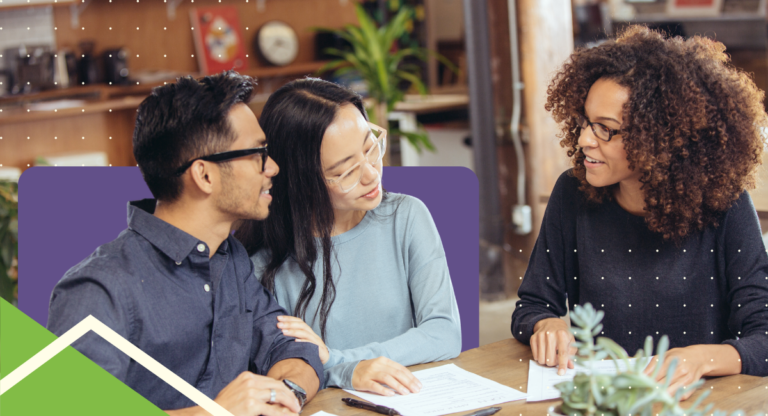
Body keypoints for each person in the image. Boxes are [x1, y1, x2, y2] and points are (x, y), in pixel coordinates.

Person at [511, 26, 768, 399]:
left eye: (606, 129)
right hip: (605, 400)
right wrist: (545, 324)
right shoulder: (572, 193)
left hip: (701, 402)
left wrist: (702, 359)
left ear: (661, 138)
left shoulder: (725, 205)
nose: (584, 140)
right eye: (585, 122)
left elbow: (764, 335)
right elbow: (532, 305)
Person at [47, 71, 322, 416]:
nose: (273, 167)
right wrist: (215, 412)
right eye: (258, 154)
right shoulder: (99, 288)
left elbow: (292, 347)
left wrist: (286, 393)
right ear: (204, 175)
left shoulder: (229, 258)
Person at [235, 78, 462, 395]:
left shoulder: (408, 217)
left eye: (371, 149)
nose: (371, 174)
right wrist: (345, 373)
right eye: (345, 171)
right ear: (301, 180)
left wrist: (341, 362)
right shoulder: (262, 265)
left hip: (414, 399)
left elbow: (444, 334)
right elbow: (279, 372)